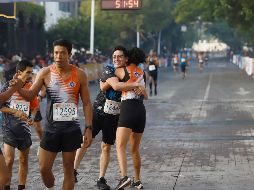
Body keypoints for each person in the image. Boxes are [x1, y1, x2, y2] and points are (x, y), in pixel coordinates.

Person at [17, 39, 93, 190]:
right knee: (44, 169)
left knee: (68, 169)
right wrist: (17, 87)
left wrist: (89, 128)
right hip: (51, 129)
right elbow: (31, 95)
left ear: (69, 54)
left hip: (71, 129)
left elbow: (86, 103)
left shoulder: (79, 74)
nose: (58, 56)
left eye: (62, 53)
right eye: (56, 53)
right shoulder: (45, 73)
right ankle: (51, 186)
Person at [74, 46, 143, 190]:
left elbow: (113, 86)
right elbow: (116, 86)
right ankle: (72, 171)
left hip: (115, 116)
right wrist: (132, 85)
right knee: (86, 141)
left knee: (106, 147)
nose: (116, 59)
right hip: (99, 111)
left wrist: (108, 84)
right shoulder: (109, 69)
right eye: (114, 57)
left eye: (119, 56)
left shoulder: (130, 72)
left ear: (126, 58)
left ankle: (101, 179)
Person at [101, 47, 148, 190]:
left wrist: (104, 84)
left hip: (127, 108)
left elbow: (111, 85)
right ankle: (138, 180)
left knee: (120, 146)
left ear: (127, 58)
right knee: (135, 149)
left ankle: (124, 177)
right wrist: (137, 85)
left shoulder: (121, 70)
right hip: (141, 110)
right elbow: (146, 96)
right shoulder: (142, 73)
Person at [0, 60, 42, 190]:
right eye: (28, 72)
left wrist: (32, 118)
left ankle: (21, 187)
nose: (30, 75)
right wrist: (15, 111)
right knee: (9, 160)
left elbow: (34, 108)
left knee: (23, 160)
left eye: (31, 72)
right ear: (19, 72)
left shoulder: (31, 87)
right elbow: (1, 107)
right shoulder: (8, 86)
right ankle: (6, 187)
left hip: (24, 129)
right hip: (9, 128)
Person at [0, 76, 26, 190]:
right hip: (7, 128)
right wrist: (14, 88)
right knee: (6, 169)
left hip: (24, 130)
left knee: (4, 175)